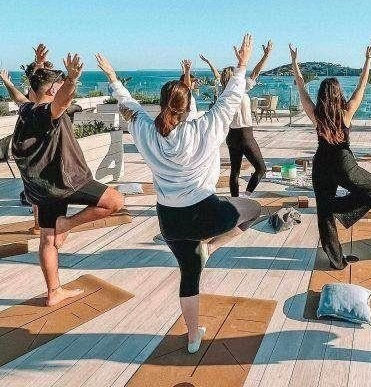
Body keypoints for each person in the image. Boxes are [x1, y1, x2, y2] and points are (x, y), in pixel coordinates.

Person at [96, 34, 262, 354]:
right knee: (253, 210)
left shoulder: (145, 130)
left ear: (161, 104)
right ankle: (211, 247)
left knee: (189, 275)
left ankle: (192, 337)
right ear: (188, 109)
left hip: (170, 221)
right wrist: (242, 65)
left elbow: (128, 105)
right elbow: (229, 100)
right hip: (206, 213)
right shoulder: (203, 128)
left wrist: (112, 77)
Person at [2, 44, 125, 307]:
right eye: (56, 86)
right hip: (67, 181)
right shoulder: (46, 114)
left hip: (41, 188)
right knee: (115, 201)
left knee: (47, 239)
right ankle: (67, 224)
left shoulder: (26, 109)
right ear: (51, 91)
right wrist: (71, 79)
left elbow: (21, 95)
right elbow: (60, 101)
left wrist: (35, 66)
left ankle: (54, 292)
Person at [290, 39, 371, 270]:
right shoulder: (347, 112)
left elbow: (301, 86)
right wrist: (368, 59)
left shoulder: (316, 114)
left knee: (325, 214)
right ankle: (338, 211)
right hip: (344, 163)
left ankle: (336, 259)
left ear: (322, 95)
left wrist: (294, 62)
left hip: (321, 164)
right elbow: (362, 85)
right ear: (338, 94)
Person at [199, 40, 274, 198]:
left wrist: (209, 62)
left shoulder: (222, 94)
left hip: (231, 137)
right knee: (261, 169)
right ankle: (246, 196)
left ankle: (235, 201)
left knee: (235, 172)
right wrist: (266, 56)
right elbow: (256, 72)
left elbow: (217, 75)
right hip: (246, 136)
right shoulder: (241, 88)